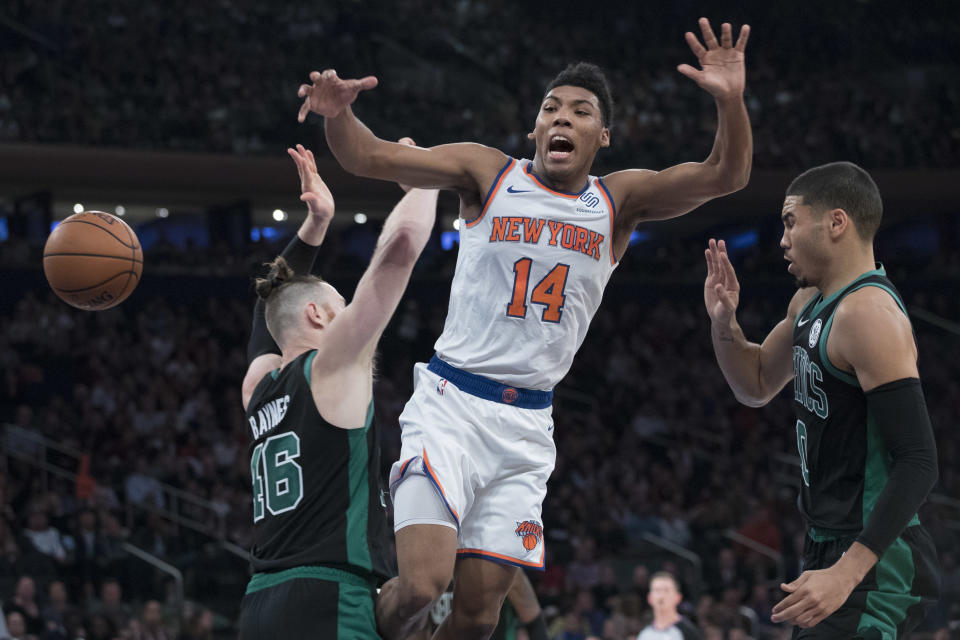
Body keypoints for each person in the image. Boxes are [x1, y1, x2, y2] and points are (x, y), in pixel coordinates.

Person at [297, 17, 752, 640]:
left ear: (603, 136)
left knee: (481, 615)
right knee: (421, 587)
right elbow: (371, 157)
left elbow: (726, 174)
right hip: (451, 406)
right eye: (551, 108)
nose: (562, 119)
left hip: (527, 426)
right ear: (534, 128)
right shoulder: (489, 173)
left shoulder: (618, 202)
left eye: (581, 112)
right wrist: (337, 116)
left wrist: (729, 100)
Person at [703, 161, 940, 637]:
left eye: (791, 222)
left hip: (876, 560)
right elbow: (754, 384)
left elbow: (919, 461)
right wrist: (724, 323)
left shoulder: (868, 313)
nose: (782, 239)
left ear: (836, 222)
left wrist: (846, 575)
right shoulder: (808, 303)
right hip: (826, 544)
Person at [237, 141, 438, 639]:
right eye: (341, 303)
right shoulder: (332, 365)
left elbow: (268, 314)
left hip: (259, 602)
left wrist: (315, 224)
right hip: (328, 597)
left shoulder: (258, 388)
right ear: (318, 315)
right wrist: (426, 179)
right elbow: (400, 250)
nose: (349, 312)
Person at [637, 572, 701, 640]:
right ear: (649, 598)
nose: (661, 596)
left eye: (666, 590)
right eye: (657, 590)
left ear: (678, 597)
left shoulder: (689, 632)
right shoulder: (644, 634)